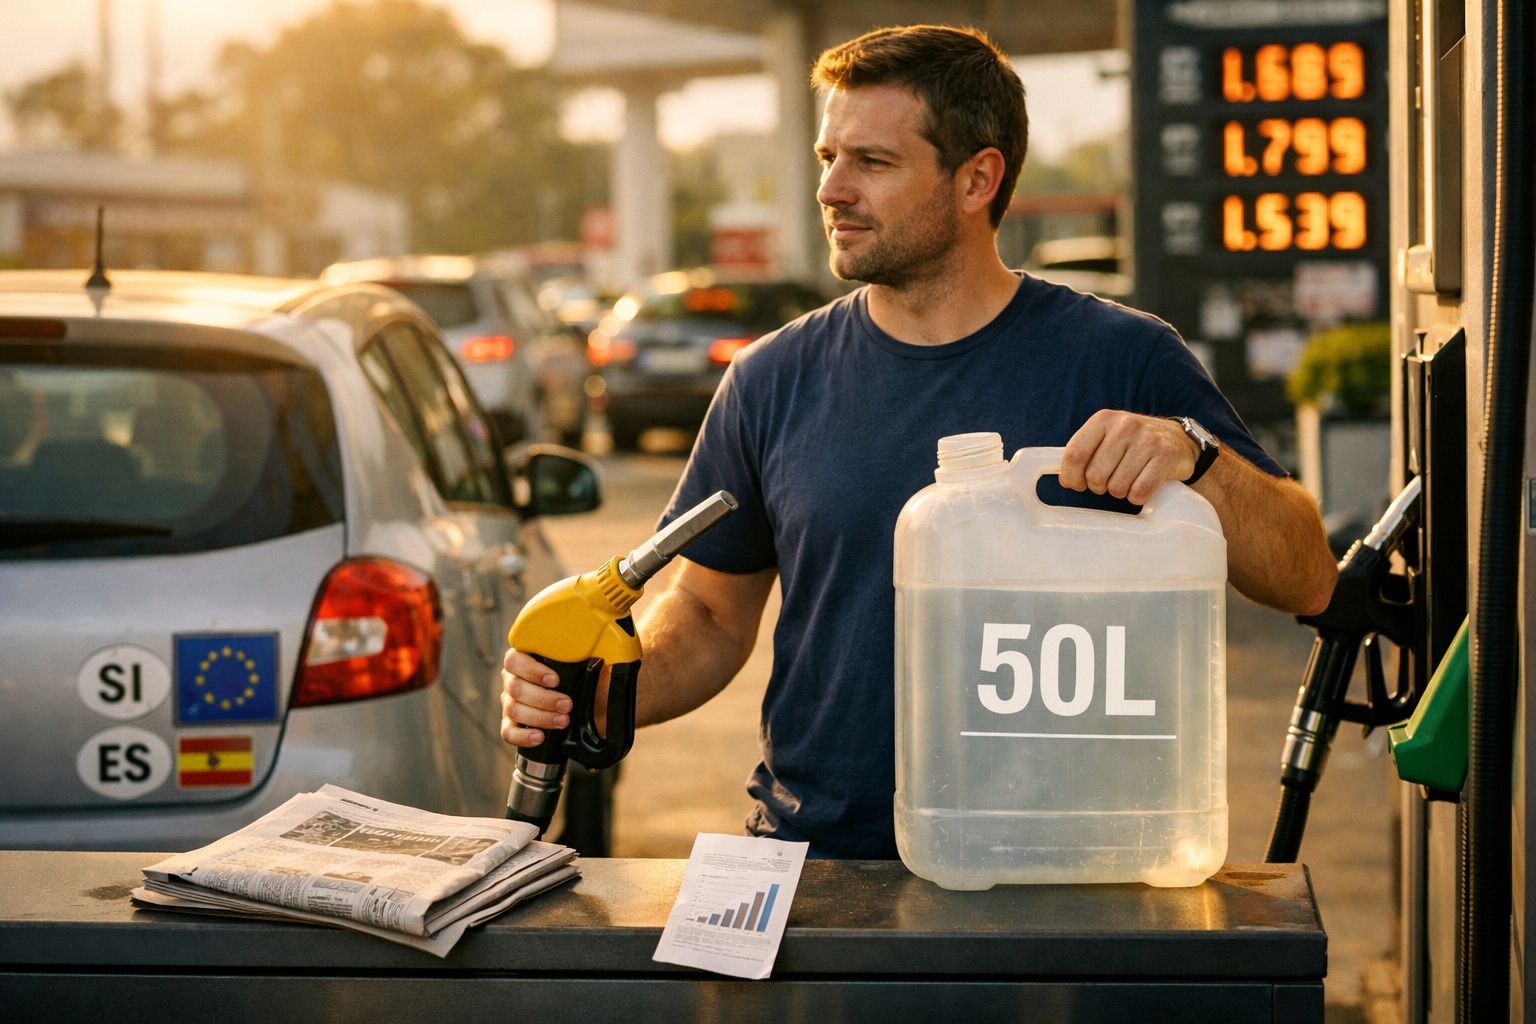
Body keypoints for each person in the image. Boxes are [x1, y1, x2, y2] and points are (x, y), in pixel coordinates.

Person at [503, 24, 1338, 859]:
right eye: (829, 157)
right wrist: (606, 687)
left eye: (872, 162)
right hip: (820, 859)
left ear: (978, 178)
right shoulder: (770, 378)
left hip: (1071, 864)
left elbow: (1307, 574)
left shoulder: (1123, 358)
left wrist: (1198, 459)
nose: (830, 189)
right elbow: (710, 613)